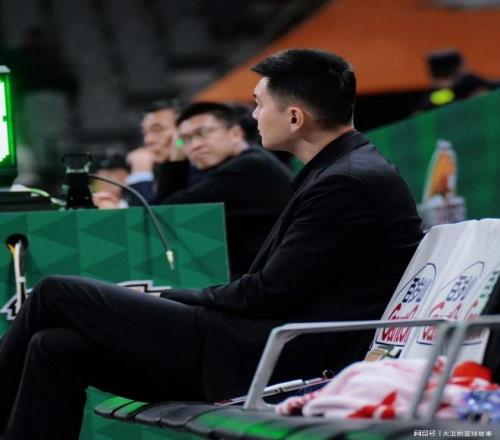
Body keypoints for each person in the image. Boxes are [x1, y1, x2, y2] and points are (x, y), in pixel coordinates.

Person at [0, 48, 423, 440]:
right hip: (253, 343)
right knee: (54, 346)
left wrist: (175, 297)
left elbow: (267, 294)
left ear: (295, 117)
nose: (254, 116)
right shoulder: (342, 171)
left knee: (55, 292)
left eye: (259, 104)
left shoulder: (346, 182)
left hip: (271, 356)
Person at [131, 101, 292, 278]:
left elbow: (161, 218)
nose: (195, 145)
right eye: (185, 139)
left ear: (236, 133)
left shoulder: (248, 167)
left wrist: (143, 172)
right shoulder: (234, 164)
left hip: (271, 282)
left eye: (203, 133)